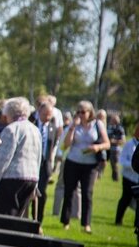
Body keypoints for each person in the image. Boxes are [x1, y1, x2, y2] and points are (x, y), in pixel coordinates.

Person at [59, 100, 109, 233]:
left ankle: (86, 224)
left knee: (87, 193)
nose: (80, 114)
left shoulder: (97, 124)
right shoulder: (74, 125)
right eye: (78, 112)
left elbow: (107, 143)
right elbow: (66, 144)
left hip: (90, 165)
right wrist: (72, 127)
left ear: (90, 112)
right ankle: (65, 221)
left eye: (83, 112)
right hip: (73, 161)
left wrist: (97, 147)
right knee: (69, 191)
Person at [0, 97, 42, 217]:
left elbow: (2, 160)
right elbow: (38, 157)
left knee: (5, 219)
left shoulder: (11, 129)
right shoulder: (35, 129)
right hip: (31, 178)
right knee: (18, 218)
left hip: (12, 179)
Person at [33, 102, 61, 225]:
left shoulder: (52, 127)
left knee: (41, 192)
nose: (47, 117)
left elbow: (53, 144)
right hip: (32, 162)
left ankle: (38, 221)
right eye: (45, 114)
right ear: (39, 112)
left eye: (49, 115)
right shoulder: (32, 124)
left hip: (45, 164)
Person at [115, 122, 138, 226]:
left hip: (137, 178)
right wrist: (132, 165)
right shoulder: (129, 144)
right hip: (128, 177)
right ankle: (118, 220)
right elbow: (122, 159)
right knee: (125, 198)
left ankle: (136, 223)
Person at [108, 113, 126, 182]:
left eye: (112, 119)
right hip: (108, 148)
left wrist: (113, 141)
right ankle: (114, 178)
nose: (111, 120)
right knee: (111, 164)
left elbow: (123, 140)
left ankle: (116, 179)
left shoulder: (120, 129)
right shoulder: (109, 127)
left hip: (115, 150)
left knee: (114, 164)